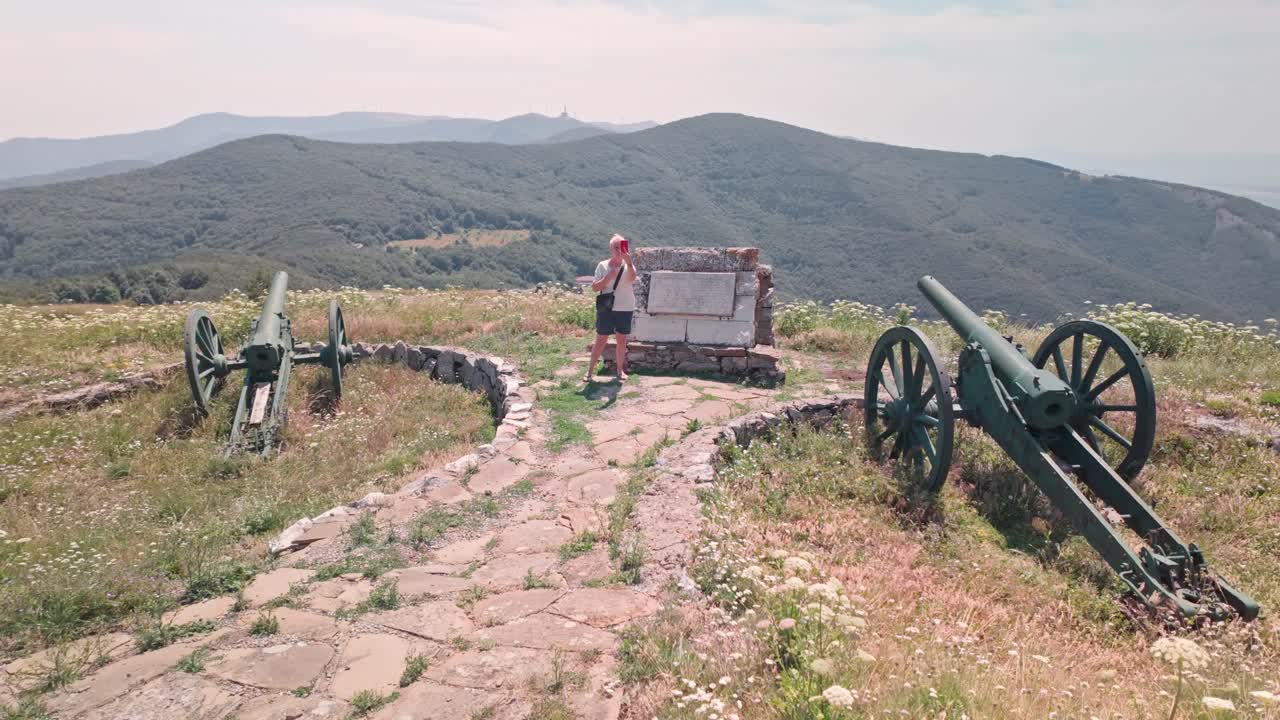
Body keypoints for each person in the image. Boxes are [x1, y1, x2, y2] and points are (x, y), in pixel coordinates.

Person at [585, 234, 637, 383]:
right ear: (610, 249)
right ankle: (589, 372)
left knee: (621, 339)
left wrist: (629, 262)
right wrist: (609, 276)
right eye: (615, 247)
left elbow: (632, 279)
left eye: (621, 247)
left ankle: (620, 371)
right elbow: (595, 287)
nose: (618, 250)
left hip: (625, 307)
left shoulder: (629, 266)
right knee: (601, 339)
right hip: (606, 308)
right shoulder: (602, 266)